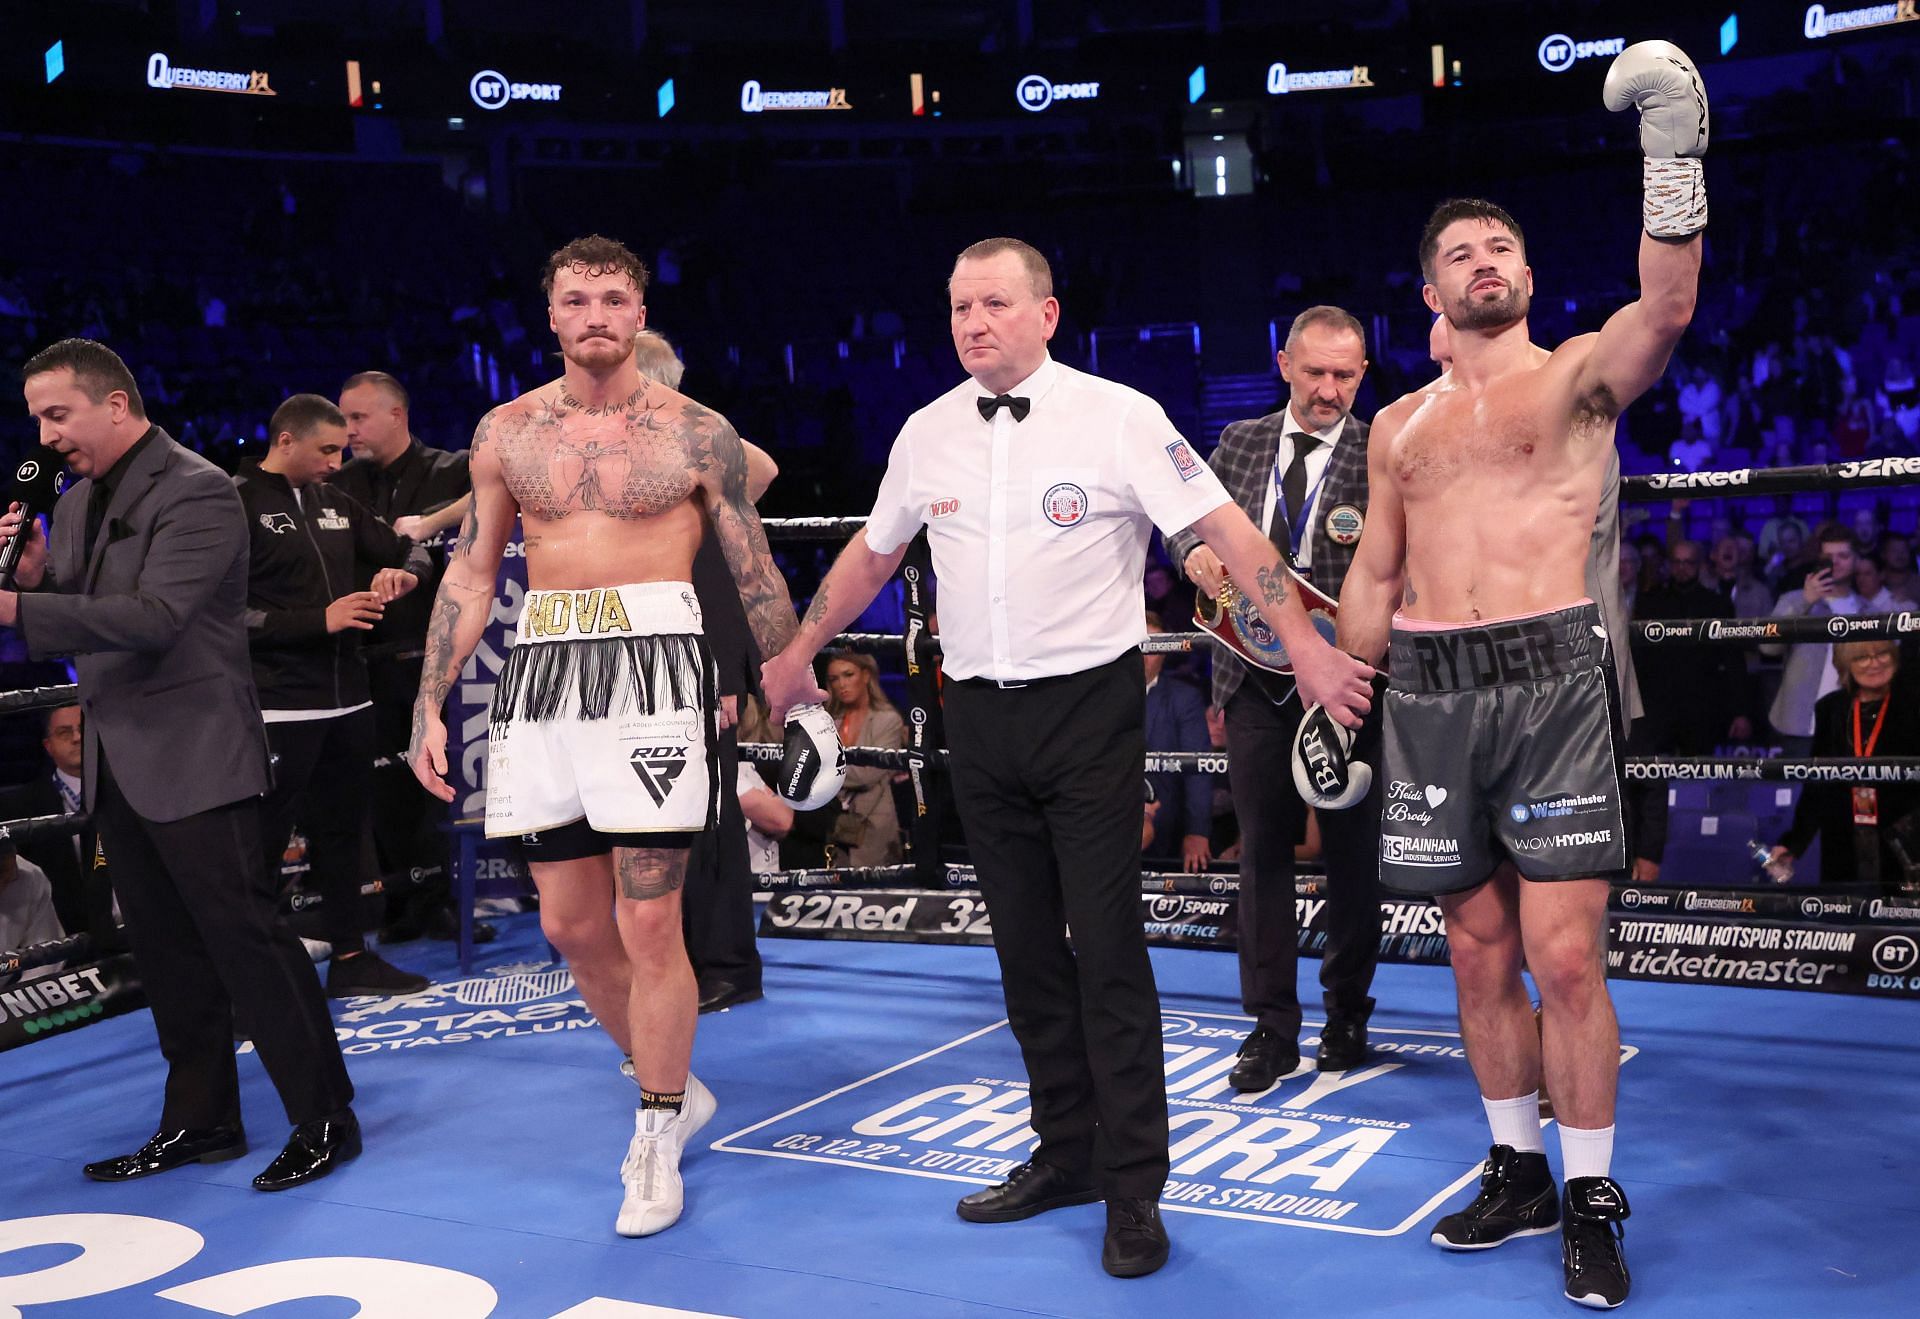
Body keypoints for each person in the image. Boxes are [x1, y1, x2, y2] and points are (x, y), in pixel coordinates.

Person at [760, 236, 1373, 1280]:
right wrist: (796, 652)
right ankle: (1066, 1150)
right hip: (977, 715)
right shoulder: (925, 432)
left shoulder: (1120, 415)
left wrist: (1308, 646)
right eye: (959, 304)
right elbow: (872, 551)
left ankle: (1136, 1188)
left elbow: (1225, 525)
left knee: (1109, 953)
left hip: (1090, 713)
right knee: (1028, 957)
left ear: (1046, 314)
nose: (972, 322)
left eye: (994, 302)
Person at [1322, 43, 1708, 1309]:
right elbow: (1375, 572)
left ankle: (1594, 1190)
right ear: (1428, 288)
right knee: (1476, 949)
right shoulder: (1397, 426)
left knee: (1566, 956)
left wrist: (1669, 152)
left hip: (1550, 678)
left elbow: (1667, 310)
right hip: (1429, 688)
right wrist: (1340, 684)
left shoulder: (1576, 375)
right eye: (1460, 254)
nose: (1484, 264)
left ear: (1529, 276)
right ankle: (1518, 1163)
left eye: (1502, 249)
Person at [405, 235, 806, 1238]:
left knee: (650, 922)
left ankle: (658, 1127)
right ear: (551, 315)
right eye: (576, 298)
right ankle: (667, 1076)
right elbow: (470, 570)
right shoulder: (507, 429)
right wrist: (429, 700)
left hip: (655, 672)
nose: (595, 314)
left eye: (613, 298)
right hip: (543, 671)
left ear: (638, 314)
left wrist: (789, 693)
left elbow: (754, 573)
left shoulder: (698, 433)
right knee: (571, 927)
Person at [0, 338, 358, 1192]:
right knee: (161, 947)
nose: (45, 437)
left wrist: (18, 606)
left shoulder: (197, 487)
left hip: (198, 749)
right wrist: (40, 574)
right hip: (120, 755)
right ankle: (200, 1121)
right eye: (36, 420)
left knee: (249, 940)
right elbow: (89, 611)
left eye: (58, 415)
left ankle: (324, 1119)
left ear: (114, 404)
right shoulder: (82, 499)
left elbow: (156, 617)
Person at [399, 329, 781, 1013]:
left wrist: (726, 670)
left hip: (676, 653)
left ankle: (723, 965)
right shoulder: (546, 440)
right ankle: (660, 1019)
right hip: (575, 661)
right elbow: (500, 500)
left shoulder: (689, 441)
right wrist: (435, 520)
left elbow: (749, 514)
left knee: (697, 838)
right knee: (592, 889)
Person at [1165, 304, 1385, 1087]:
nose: (1329, 390)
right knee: (1261, 851)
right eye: (1316, 371)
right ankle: (1270, 1027)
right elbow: (1184, 518)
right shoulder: (1239, 441)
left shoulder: (1379, 448)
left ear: (1363, 374)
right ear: (1284, 362)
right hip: (1253, 678)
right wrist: (1193, 552)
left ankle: (1348, 1012)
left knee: (1355, 853)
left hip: (1351, 675)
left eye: (1345, 375)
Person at [235, 393, 433, 996]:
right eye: (325, 450)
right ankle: (252, 983)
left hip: (350, 701)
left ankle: (350, 958)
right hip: (275, 706)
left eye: (341, 450)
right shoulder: (231, 504)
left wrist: (406, 575)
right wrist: (316, 622)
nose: (334, 461)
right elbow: (216, 614)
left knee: (345, 835)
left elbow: (413, 548)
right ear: (286, 440)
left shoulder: (335, 502)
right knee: (259, 849)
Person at [331, 370, 481, 944]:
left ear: (397, 415)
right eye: (343, 420)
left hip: (440, 653)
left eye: (358, 418)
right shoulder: (340, 484)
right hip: (368, 653)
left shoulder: (451, 470)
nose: (348, 432)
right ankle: (401, 899)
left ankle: (443, 898)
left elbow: (500, 497)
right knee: (383, 785)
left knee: (438, 777)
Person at [1770, 640, 1919, 891]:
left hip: (1904, 837)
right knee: (1846, 917)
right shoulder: (1831, 708)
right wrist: (1793, 844)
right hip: (1843, 837)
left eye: (1882, 653)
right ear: (1845, 666)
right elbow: (1818, 783)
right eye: (1862, 657)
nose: (1874, 663)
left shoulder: (1913, 703)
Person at [0, 703, 115, 943]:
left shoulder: (134, 791)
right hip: (73, 940)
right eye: (64, 732)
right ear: (48, 746)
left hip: (148, 924)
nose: (77, 737)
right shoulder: (22, 807)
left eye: (83, 728)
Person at [1766, 523, 1866, 756]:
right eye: (1829, 556)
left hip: (1851, 727)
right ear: (1819, 559)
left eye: (1843, 555)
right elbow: (1768, 647)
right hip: (1800, 726)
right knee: (1795, 792)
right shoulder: (1794, 599)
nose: (1836, 562)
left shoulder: (1868, 610)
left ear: (1857, 560)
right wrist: (1805, 600)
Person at [1140, 612, 1212, 872]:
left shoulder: (1184, 699)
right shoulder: (1100, 699)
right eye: (1138, 647)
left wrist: (1197, 831)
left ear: (1164, 654)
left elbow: (1198, 767)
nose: (1143, 657)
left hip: (1165, 819)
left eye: (1153, 648)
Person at [823, 650, 906, 869]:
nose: (842, 684)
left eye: (848, 675)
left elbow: (868, 773)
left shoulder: (888, 720)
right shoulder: (828, 720)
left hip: (873, 824)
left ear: (866, 676)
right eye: (834, 679)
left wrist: (821, 772)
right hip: (831, 823)